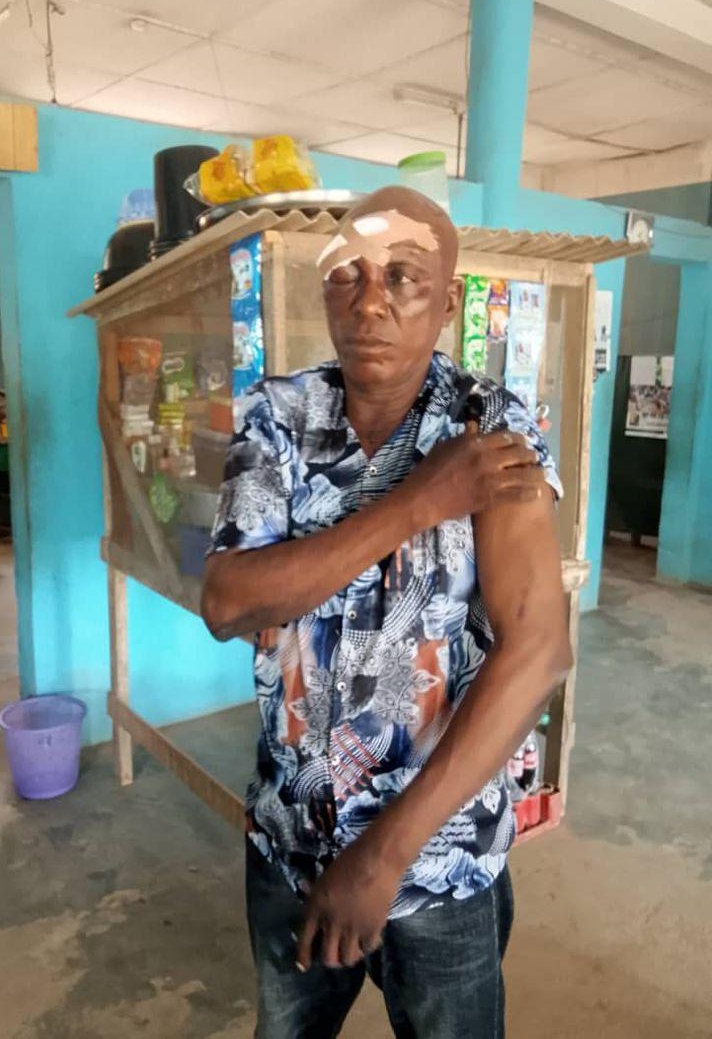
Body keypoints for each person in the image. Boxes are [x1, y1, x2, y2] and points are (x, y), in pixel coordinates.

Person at [202, 186, 571, 1038]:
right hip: (289, 846)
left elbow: (539, 650)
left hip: (438, 867)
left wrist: (386, 853)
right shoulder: (277, 419)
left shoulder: (492, 428)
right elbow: (228, 600)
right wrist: (420, 501)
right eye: (350, 276)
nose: (372, 300)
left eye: (403, 276)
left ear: (446, 302)